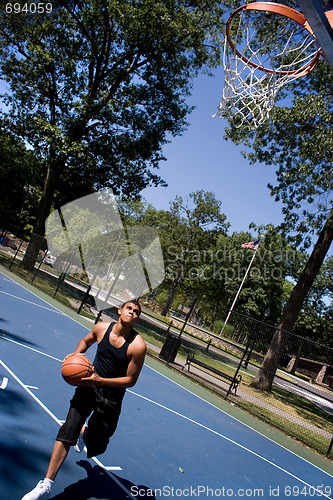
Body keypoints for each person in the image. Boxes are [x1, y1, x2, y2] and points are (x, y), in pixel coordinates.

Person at [22, 299, 146, 500]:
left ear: (138, 318)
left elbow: (130, 380)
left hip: (111, 397)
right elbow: (85, 341)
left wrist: (101, 380)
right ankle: (46, 484)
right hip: (87, 386)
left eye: (136, 311)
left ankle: (84, 431)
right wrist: (76, 355)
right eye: (129, 308)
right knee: (67, 430)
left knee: (98, 445)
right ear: (120, 310)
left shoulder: (138, 346)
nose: (132, 312)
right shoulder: (101, 328)